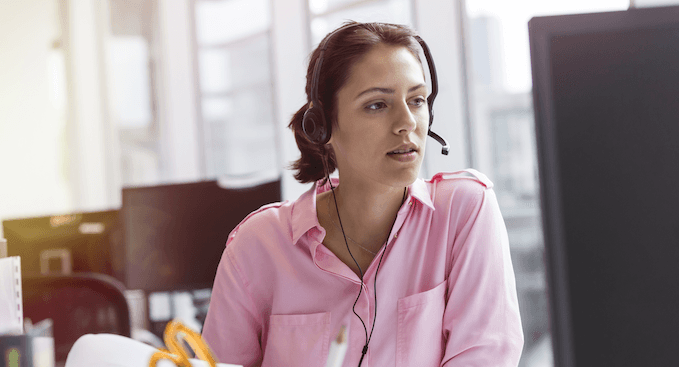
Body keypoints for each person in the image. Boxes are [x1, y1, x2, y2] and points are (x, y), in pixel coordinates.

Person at [202, 21, 524, 367]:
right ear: (322, 125)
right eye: (377, 105)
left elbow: (485, 356)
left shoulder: (464, 211)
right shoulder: (257, 245)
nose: (407, 122)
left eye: (416, 100)